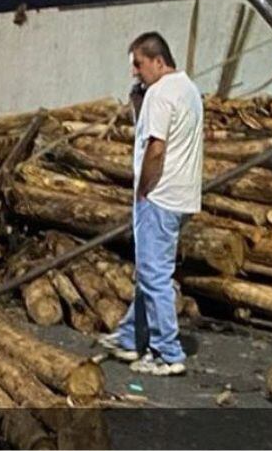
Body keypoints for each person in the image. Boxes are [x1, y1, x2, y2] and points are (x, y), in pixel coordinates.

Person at [98, 32, 204, 376]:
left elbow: (156, 149)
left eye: (139, 64)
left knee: (154, 275)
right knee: (150, 270)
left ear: (159, 61)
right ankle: (130, 337)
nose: (135, 72)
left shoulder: (160, 93)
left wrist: (143, 189)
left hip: (159, 196)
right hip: (183, 196)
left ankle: (166, 353)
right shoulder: (188, 89)